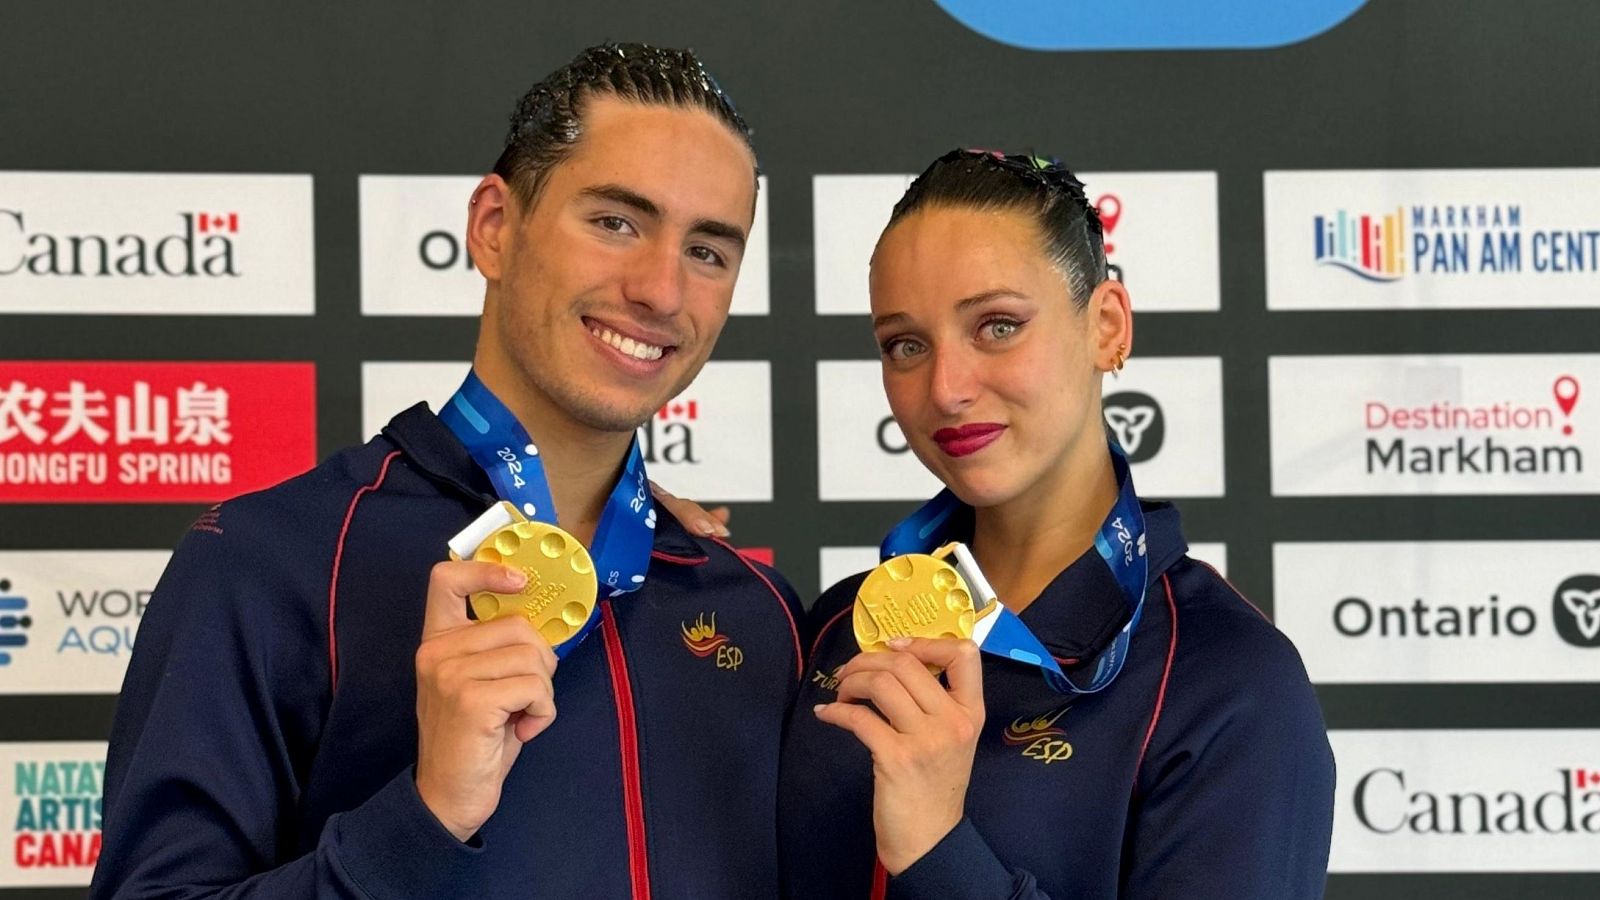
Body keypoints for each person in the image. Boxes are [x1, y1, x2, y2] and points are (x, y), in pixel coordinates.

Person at [90, 43, 804, 899]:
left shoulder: (757, 612)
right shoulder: (264, 560)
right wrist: (425, 818)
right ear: (494, 228)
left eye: (709, 251)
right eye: (616, 221)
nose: (660, 289)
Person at [776, 149, 1336, 899]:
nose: (945, 389)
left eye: (997, 326)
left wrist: (940, 849)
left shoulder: (1230, 681)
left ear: (1106, 326)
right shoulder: (839, 623)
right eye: (905, 344)